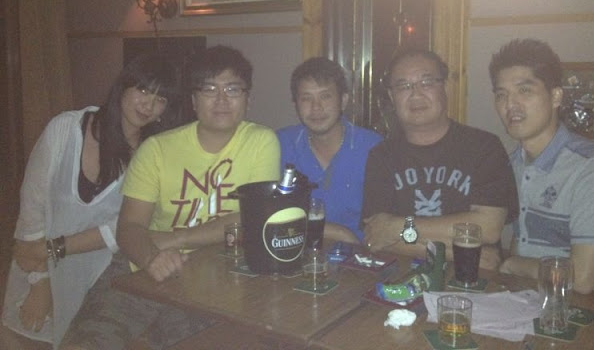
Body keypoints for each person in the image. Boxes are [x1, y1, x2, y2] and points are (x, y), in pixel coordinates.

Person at [59, 45, 281, 350]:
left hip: (216, 272)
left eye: (232, 89)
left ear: (248, 99)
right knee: (87, 341)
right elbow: (130, 227)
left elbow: (250, 217)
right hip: (144, 263)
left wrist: (175, 238)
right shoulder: (157, 149)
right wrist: (151, 258)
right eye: (209, 89)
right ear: (193, 100)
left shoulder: (261, 141)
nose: (221, 99)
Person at [1, 54, 181, 350]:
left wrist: (52, 249)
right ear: (123, 86)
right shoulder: (65, 128)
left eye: (160, 99)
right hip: (35, 267)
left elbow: (121, 228)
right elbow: (32, 207)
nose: (148, 105)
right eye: (143, 90)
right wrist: (39, 280)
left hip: (96, 279)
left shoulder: (153, 155)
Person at [489, 38, 594, 295]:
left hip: (590, 311)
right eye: (502, 95)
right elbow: (522, 241)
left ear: (555, 96)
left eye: (524, 91)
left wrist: (512, 264)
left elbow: (583, 279)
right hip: (529, 300)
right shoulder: (512, 164)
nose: (510, 105)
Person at [361, 46, 518, 269]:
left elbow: (489, 227)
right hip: (402, 277)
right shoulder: (381, 156)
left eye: (426, 83)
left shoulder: (484, 147)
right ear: (391, 96)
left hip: (470, 280)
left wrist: (399, 227)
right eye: (403, 86)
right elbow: (377, 236)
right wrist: (463, 252)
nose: (415, 94)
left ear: (445, 87)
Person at [277, 57, 382, 243]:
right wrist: (340, 233)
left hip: (359, 255)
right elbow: (270, 213)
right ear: (296, 105)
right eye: (306, 98)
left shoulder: (374, 148)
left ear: (343, 101)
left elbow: (384, 225)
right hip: (295, 252)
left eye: (325, 96)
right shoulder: (279, 145)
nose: (316, 107)